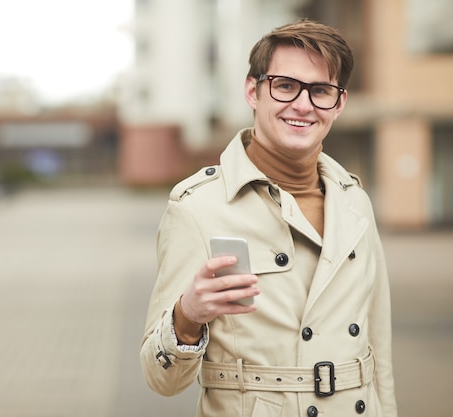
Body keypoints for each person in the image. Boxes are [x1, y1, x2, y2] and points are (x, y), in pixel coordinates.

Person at [140, 19, 397, 417]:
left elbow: (379, 350)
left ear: (339, 103)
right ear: (252, 91)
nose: (303, 104)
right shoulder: (197, 208)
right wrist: (187, 316)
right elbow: (161, 380)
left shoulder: (355, 202)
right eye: (285, 85)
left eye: (321, 91)